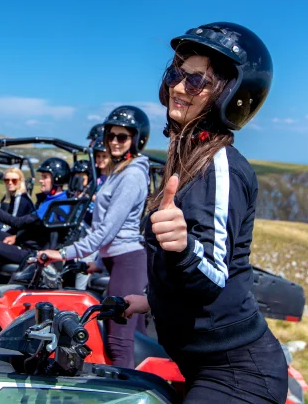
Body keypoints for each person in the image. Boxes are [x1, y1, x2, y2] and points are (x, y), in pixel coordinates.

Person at [123, 22, 287, 403]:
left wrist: (181, 246)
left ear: (231, 94)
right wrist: (151, 300)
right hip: (203, 365)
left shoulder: (220, 164)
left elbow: (214, 271)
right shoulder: (186, 156)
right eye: (176, 74)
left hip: (237, 375)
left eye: (197, 82)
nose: (179, 88)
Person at [38, 105, 151, 369]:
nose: (114, 142)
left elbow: (107, 230)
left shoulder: (132, 175)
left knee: (118, 342)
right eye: (111, 135)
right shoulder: (118, 171)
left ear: (137, 139)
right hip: (118, 260)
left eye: (122, 137)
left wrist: (64, 253)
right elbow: (113, 231)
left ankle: (126, 396)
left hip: (128, 263)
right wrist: (97, 263)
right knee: (137, 340)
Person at [0, 157, 70, 284]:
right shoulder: (59, 199)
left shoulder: (53, 204)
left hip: (33, 253)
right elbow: (34, 227)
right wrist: (17, 237)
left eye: (45, 177)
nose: (41, 180)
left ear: (57, 179)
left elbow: (18, 222)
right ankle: (0, 279)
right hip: (32, 245)